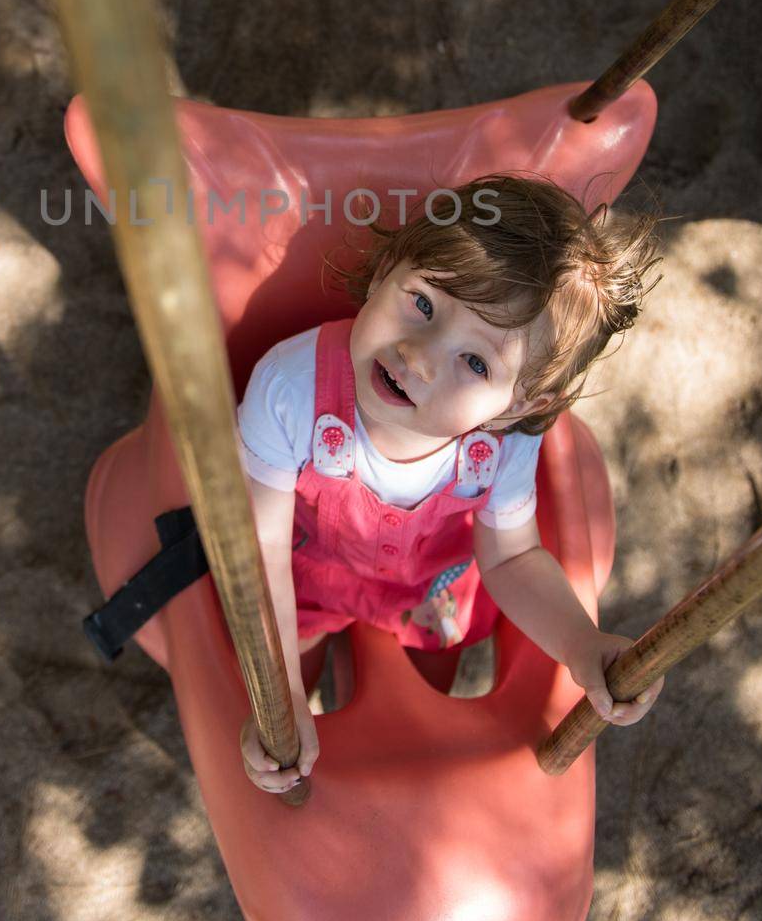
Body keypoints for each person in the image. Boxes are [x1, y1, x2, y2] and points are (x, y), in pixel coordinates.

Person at [236, 173, 666, 794]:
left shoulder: (506, 440)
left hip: (427, 584)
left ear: (522, 403)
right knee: (286, 681)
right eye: (424, 303)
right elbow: (261, 552)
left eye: (476, 362)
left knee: (424, 693)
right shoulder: (290, 387)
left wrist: (580, 643)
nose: (419, 356)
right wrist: (275, 699)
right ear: (386, 270)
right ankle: (299, 699)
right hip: (304, 573)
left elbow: (513, 556)